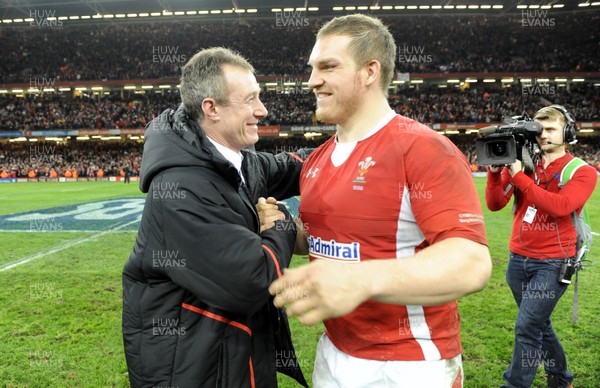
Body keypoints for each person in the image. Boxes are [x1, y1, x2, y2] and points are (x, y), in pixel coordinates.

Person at [269, 14, 492, 387]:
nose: (311, 81)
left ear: (370, 71)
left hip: (409, 361)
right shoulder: (318, 159)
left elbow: (471, 262)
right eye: (311, 68)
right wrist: (278, 224)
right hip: (334, 351)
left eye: (328, 66)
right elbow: (320, 239)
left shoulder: (421, 147)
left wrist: (362, 280)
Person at [122, 47, 309, 387]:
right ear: (212, 108)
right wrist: (281, 223)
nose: (262, 110)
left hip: (232, 356)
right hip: (195, 369)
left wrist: (353, 149)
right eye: (250, 100)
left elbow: (295, 168)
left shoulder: (238, 159)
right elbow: (252, 281)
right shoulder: (181, 187)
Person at [486, 105, 597, 388]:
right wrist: (495, 174)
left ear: (567, 132)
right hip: (517, 260)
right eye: (539, 129)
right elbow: (495, 203)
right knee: (538, 324)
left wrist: (519, 176)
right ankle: (561, 379)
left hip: (552, 262)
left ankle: (515, 384)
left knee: (527, 327)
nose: (543, 135)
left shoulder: (582, 171)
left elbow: (560, 207)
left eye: (550, 129)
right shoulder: (525, 164)